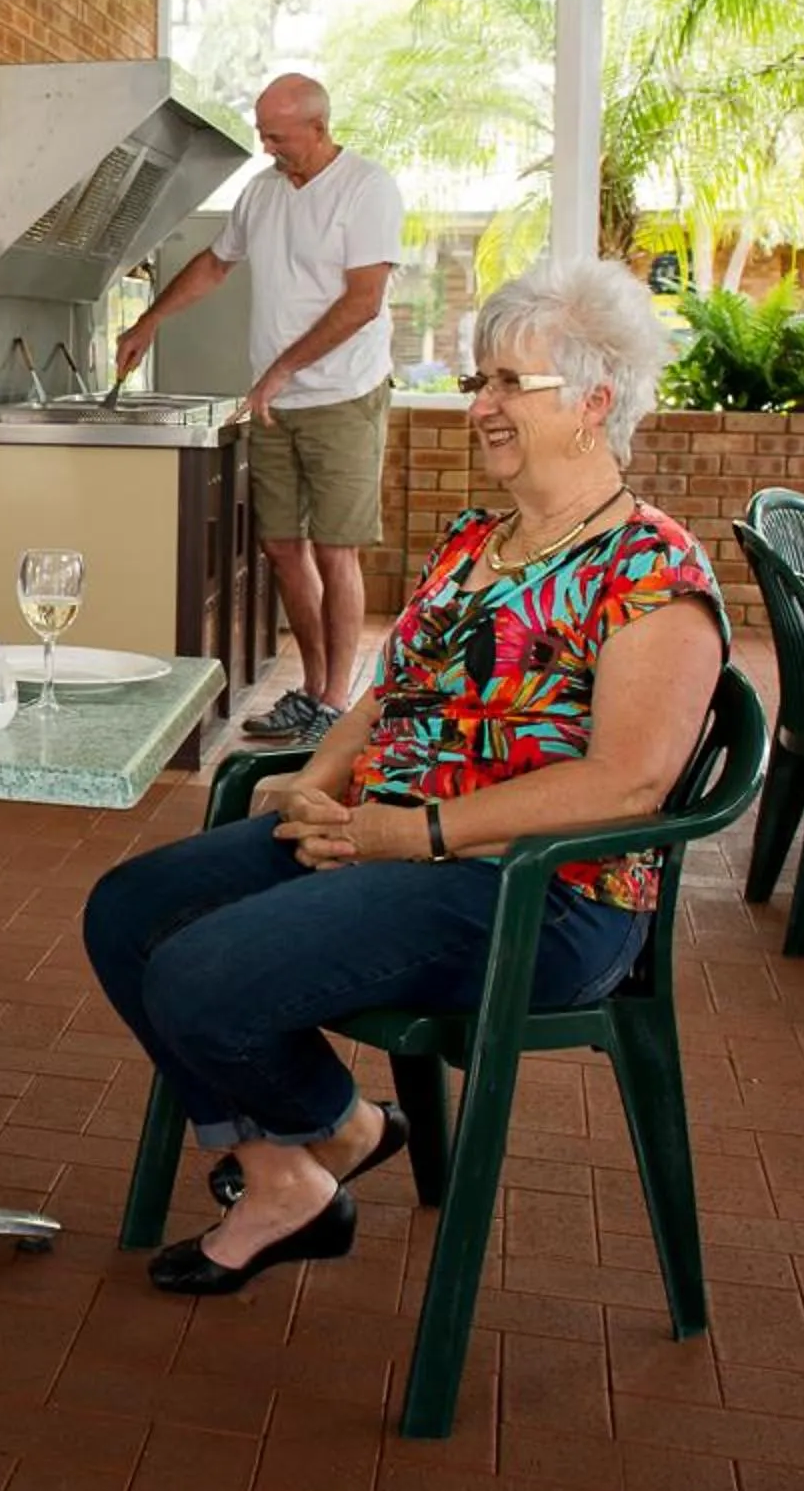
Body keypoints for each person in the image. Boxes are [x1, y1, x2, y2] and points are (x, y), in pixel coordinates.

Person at [82, 258, 726, 1298]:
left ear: (595, 402)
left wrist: (416, 832)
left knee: (201, 974)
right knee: (127, 909)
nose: (484, 406)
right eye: (483, 381)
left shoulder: (652, 571)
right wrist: (320, 782)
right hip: (382, 838)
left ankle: (323, 1139)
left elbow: (628, 783)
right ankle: (314, 1148)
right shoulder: (479, 537)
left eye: (511, 383)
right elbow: (392, 691)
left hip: (538, 893)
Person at [113, 73, 404, 744]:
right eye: (263, 133)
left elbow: (364, 301)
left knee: (336, 551)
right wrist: (149, 321)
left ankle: (332, 700)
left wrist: (279, 371)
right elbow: (216, 265)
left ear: (319, 127)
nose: (267, 146)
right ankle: (311, 689)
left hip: (344, 395)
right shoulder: (264, 193)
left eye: (277, 135)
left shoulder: (366, 188)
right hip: (274, 401)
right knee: (280, 545)